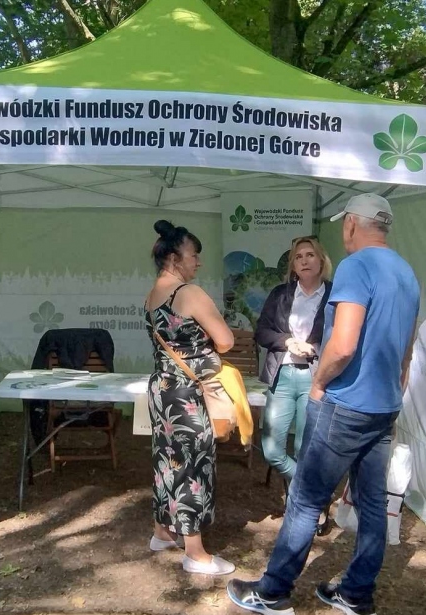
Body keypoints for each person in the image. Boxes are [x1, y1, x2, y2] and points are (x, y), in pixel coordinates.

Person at [227, 193, 420, 615]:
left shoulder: (355, 267)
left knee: (305, 499)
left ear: (351, 223)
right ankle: (356, 594)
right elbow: (407, 350)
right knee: (372, 502)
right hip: (383, 405)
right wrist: (393, 392)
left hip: (345, 404)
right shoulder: (406, 272)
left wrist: (318, 383)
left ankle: (273, 592)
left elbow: (343, 345)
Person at [144, 219, 237, 576]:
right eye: (193, 255)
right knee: (192, 466)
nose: (198, 262)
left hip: (162, 388)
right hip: (187, 393)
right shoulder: (190, 294)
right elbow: (226, 340)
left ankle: (162, 531)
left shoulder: (153, 294)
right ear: (174, 258)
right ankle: (195, 552)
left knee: (166, 461)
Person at [255, 236, 333, 487]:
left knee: (304, 447)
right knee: (271, 451)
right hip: (282, 375)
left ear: (321, 260)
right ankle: (309, 490)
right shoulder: (281, 294)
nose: (304, 261)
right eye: (298, 257)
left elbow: (344, 336)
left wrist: (313, 348)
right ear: (293, 265)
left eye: (310, 255)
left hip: (316, 377)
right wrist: (288, 342)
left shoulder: (335, 295)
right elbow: (261, 332)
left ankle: (299, 503)